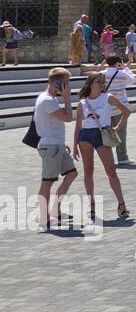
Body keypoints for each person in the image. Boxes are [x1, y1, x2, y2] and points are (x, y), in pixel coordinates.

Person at [74, 71, 130, 221]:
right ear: (90, 83)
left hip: (102, 134)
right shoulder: (83, 102)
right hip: (85, 136)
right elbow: (78, 125)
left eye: (103, 82)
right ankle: (91, 205)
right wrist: (74, 145)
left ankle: (121, 204)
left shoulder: (108, 97)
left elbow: (126, 111)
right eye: (98, 81)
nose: (101, 84)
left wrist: (116, 127)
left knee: (111, 171)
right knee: (88, 171)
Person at [32, 67, 78, 230]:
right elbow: (68, 118)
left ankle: (55, 210)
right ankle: (44, 218)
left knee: (72, 174)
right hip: (50, 146)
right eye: (65, 83)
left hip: (56, 144)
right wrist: (66, 98)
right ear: (55, 82)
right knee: (47, 182)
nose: (67, 87)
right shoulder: (47, 100)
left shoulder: (50, 98)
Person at [98, 54, 136, 167]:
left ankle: (106, 157)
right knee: (121, 132)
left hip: (105, 108)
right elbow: (133, 79)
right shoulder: (122, 74)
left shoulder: (101, 75)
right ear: (117, 63)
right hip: (120, 107)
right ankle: (122, 157)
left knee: (106, 133)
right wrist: (125, 67)